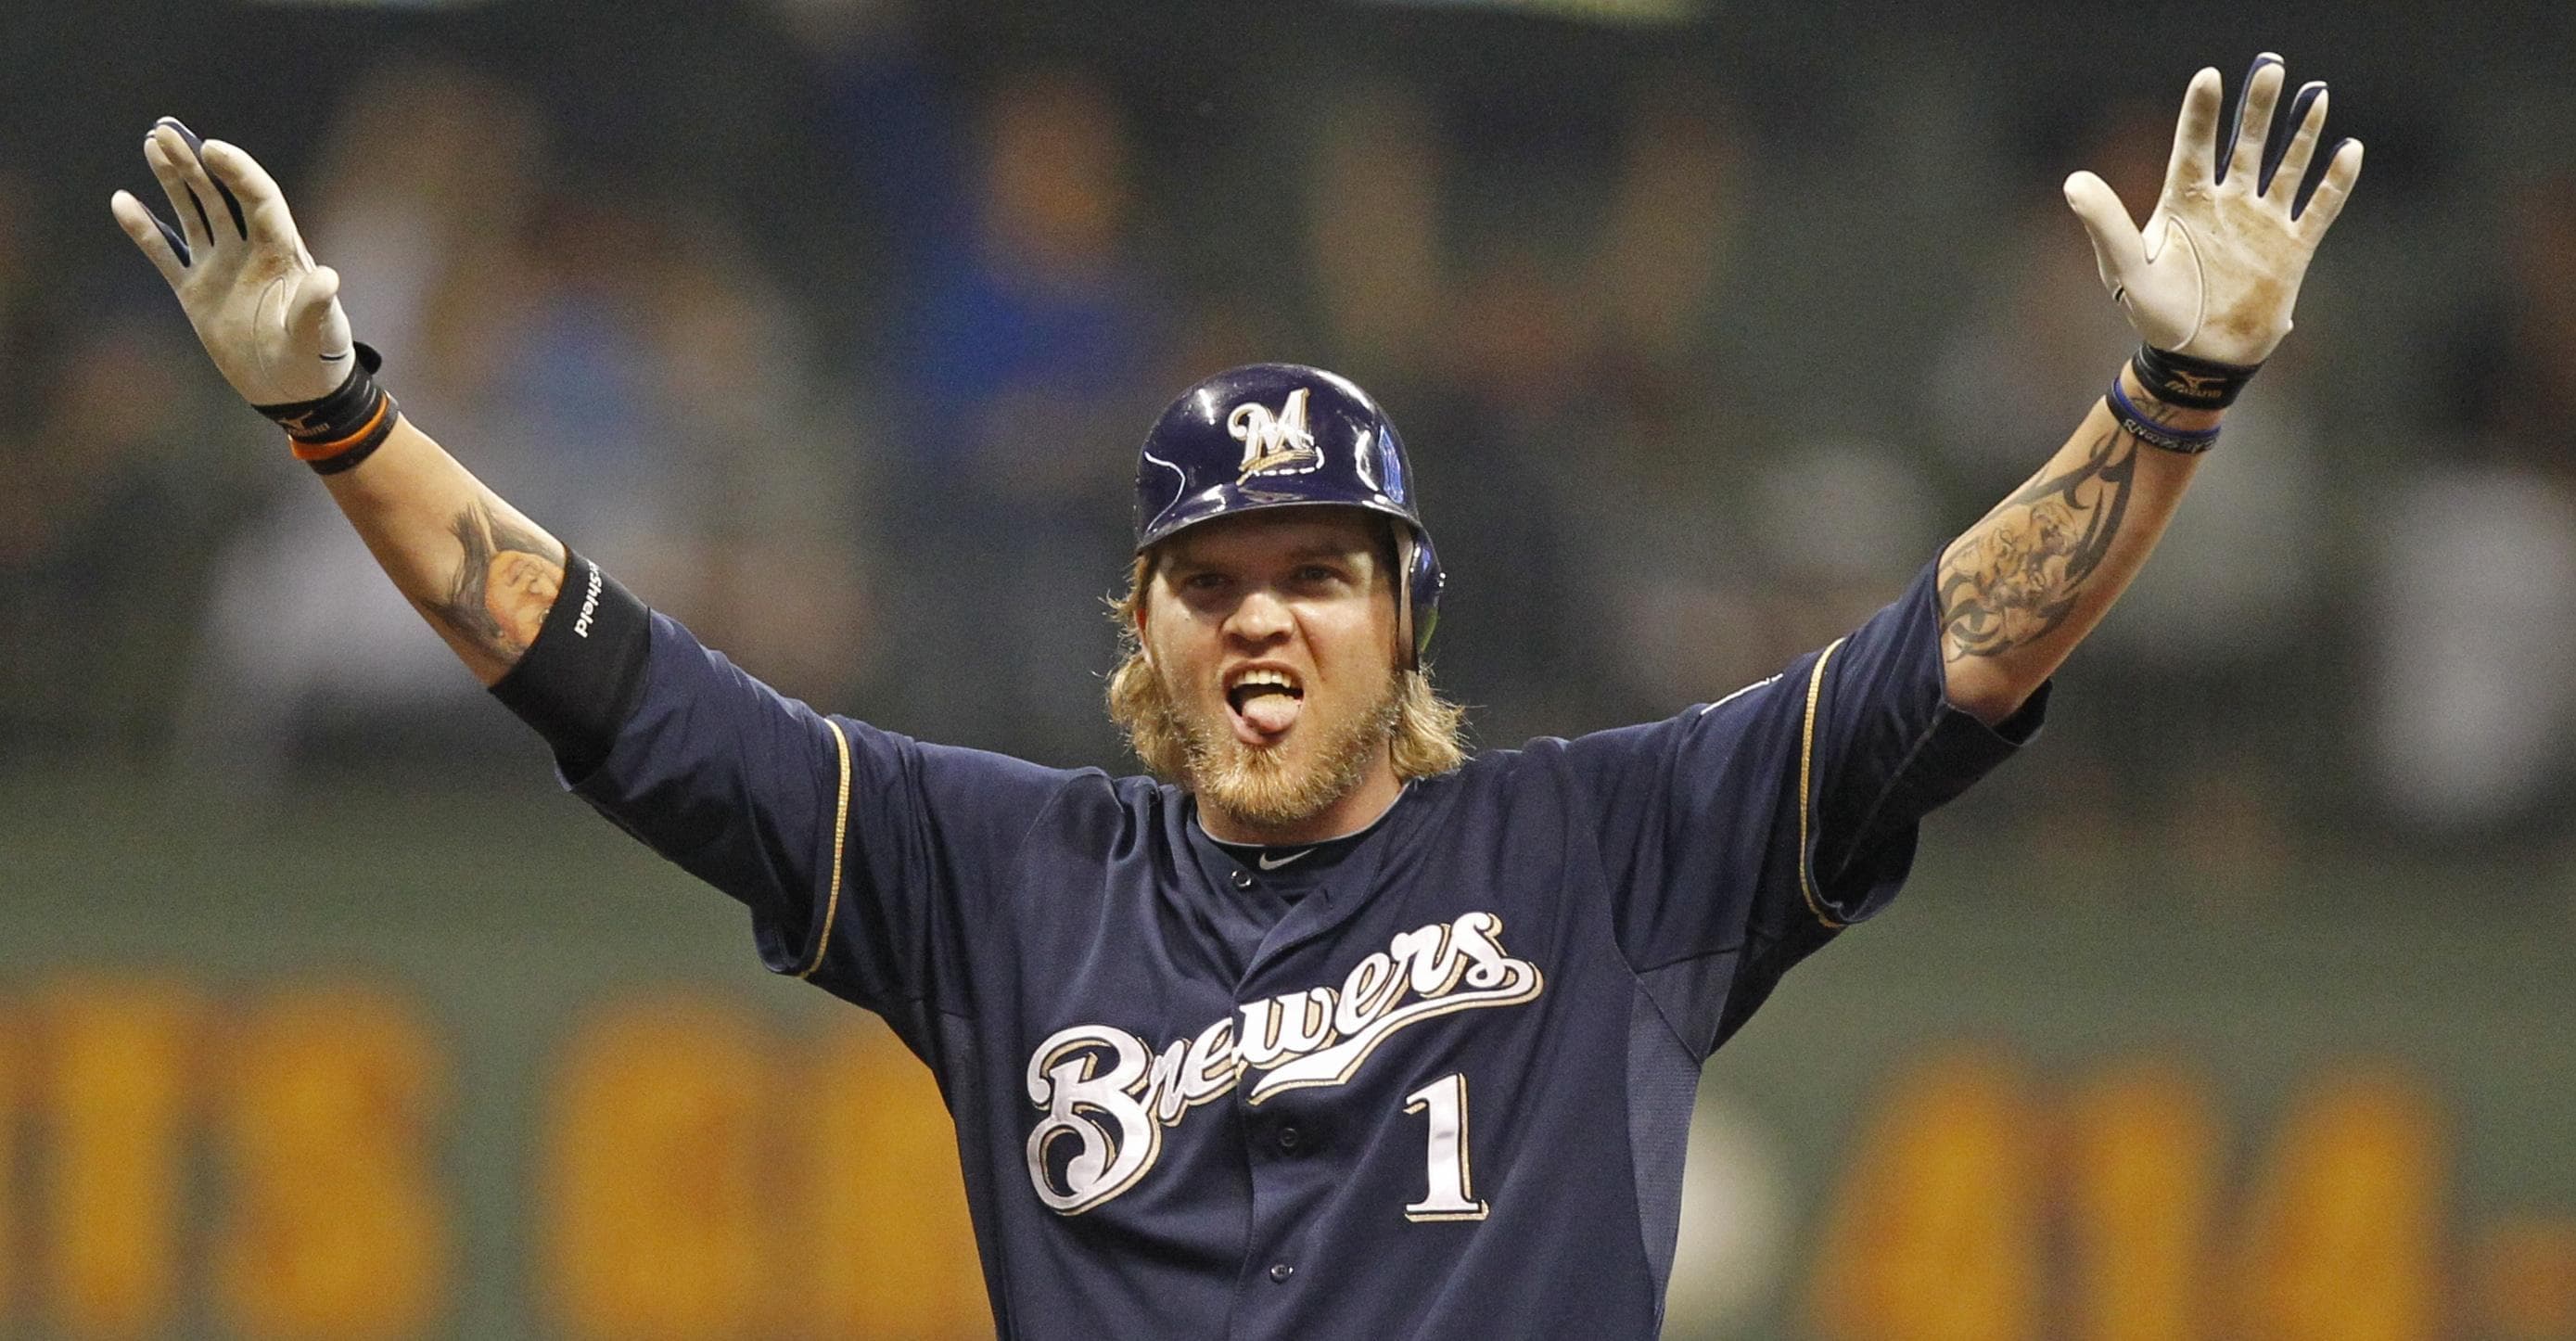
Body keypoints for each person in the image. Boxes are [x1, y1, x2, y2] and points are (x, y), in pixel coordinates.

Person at [112, 55, 2360, 1339]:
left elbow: (1950, 652)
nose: (1265, 619)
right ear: (1146, 633)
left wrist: (2165, 398)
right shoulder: (1001, 876)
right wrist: (342, 421)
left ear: (1408, 620)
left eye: (1318, 574)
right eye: (1214, 581)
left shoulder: (1608, 852)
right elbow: (622, 692)